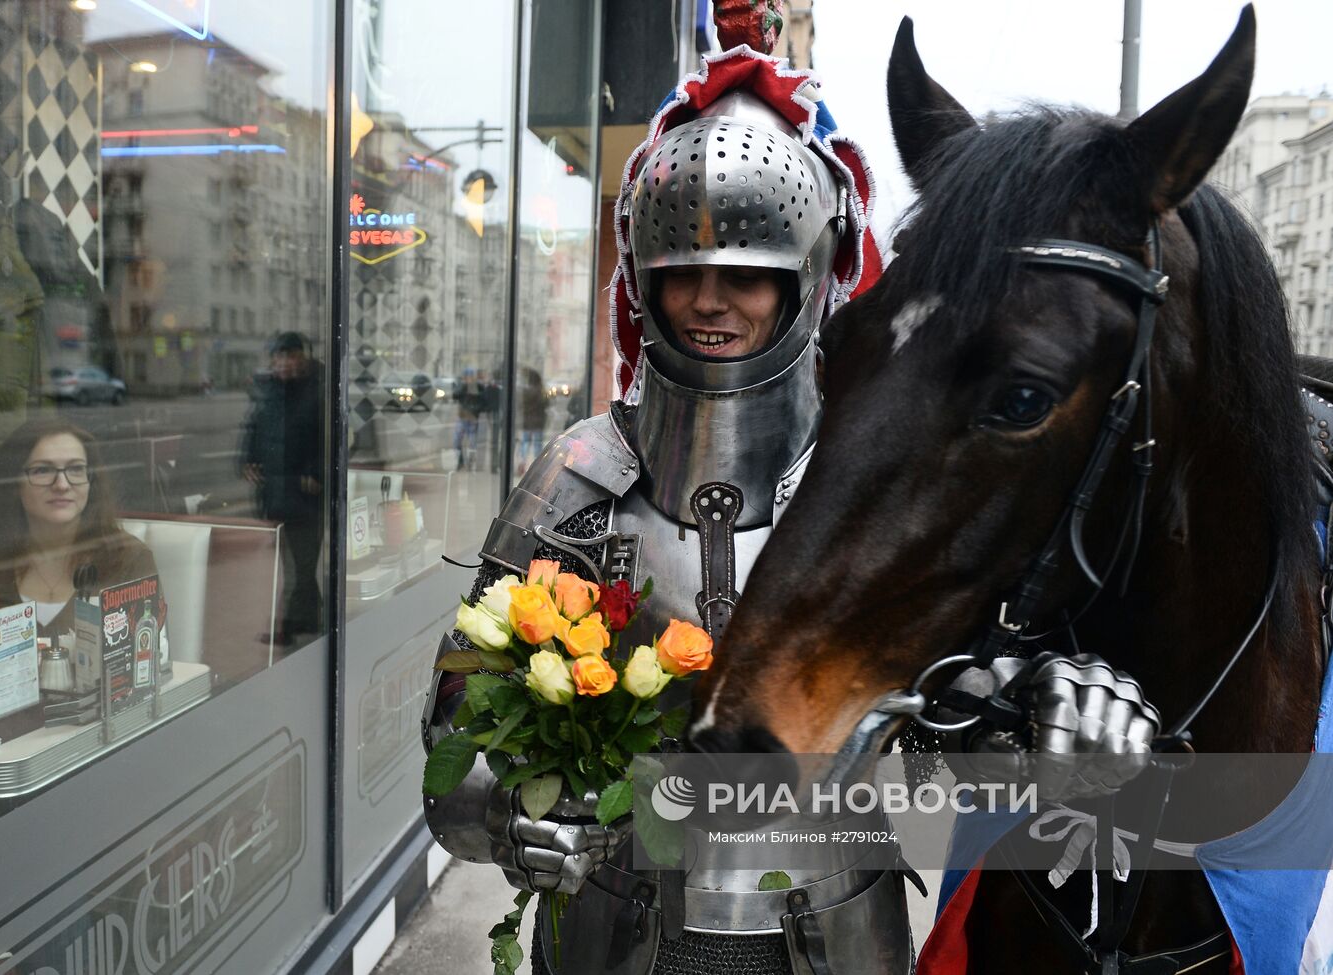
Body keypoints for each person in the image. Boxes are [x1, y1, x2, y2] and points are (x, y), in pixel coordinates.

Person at [420, 44, 1159, 975]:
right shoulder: (578, 471)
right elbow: (455, 731)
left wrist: (1053, 706)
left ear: (807, 274)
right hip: (613, 929)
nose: (707, 300)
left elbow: (953, 708)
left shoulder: (871, 477)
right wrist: (506, 811)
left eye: (748, 272)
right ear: (643, 278)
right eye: (682, 271)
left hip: (836, 928)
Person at [0, 417, 159, 637]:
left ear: (91, 482)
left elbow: (152, 657)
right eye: (42, 470)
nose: (62, 485)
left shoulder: (130, 560)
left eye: (76, 469)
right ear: (14, 484)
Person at [241, 331, 324, 646]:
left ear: (303, 358)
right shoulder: (269, 392)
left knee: (301, 563)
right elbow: (254, 428)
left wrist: (316, 473)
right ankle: (313, 618)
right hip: (275, 491)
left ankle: (287, 625)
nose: (284, 363)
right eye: (278, 357)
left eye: (290, 356)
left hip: (306, 495)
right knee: (295, 564)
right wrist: (248, 459)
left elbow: (332, 438)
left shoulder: (318, 391)